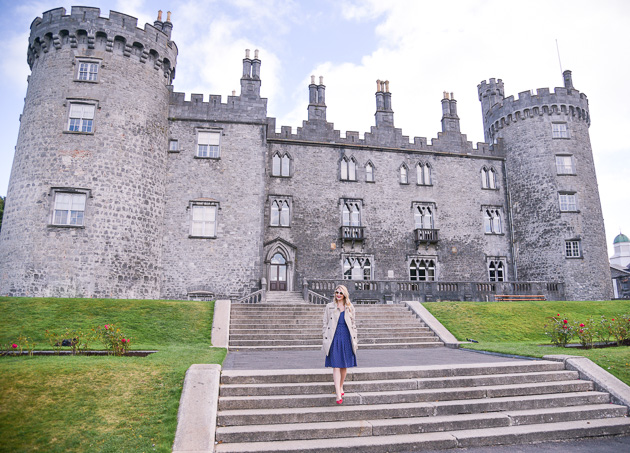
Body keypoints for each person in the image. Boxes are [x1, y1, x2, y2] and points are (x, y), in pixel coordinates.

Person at [322, 284, 358, 404]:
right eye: (336, 292)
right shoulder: (329, 307)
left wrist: (355, 339)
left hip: (346, 338)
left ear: (345, 295)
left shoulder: (350, 307)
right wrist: (325, 337)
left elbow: (353, 324)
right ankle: (338, 393)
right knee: (336, 365)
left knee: (344, 366)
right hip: (334, 338)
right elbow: (325, 323)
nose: (338, 294)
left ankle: (341, 386)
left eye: (340, 293)